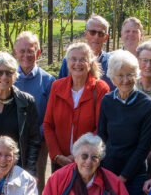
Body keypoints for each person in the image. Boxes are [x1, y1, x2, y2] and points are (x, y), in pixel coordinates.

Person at [97, 49, 151, 195]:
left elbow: (144, 146)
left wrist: (123, 177)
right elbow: (101, 139)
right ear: (112, 77)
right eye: (120, 75)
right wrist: (103, 172)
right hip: (108, 171)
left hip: (134, 174)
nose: (126, 80)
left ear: (136, 74)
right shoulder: (107, 101)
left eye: (130, 74)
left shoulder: (147, 105)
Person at [43, 42, 111, 172]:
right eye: (73, 59)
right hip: (60, 162)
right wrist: (57, 155)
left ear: (90, 63)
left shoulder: (100, 89)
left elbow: (100, 128)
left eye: (82, 60)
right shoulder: (57, 87)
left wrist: (78, 156)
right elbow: (48, 124)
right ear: (67, 62)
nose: (77, 64)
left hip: (88, 161)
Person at [13, 31, 56, 173]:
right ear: (15, 53)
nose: (26, 55)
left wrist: (34, 137)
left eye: (30, 51)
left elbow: (51, 117)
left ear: (37, 53)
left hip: (38, 143)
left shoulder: (48, 81)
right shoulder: (7, 78)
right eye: (22, 51)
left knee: (35, 184)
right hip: (11, 142)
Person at [57, 15, 112, 83]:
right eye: (92, 32)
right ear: (86, 34)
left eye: (101, 34)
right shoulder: (69, 61)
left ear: (106, 38)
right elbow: (60, 89)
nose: (96, 37)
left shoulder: (111, 63)